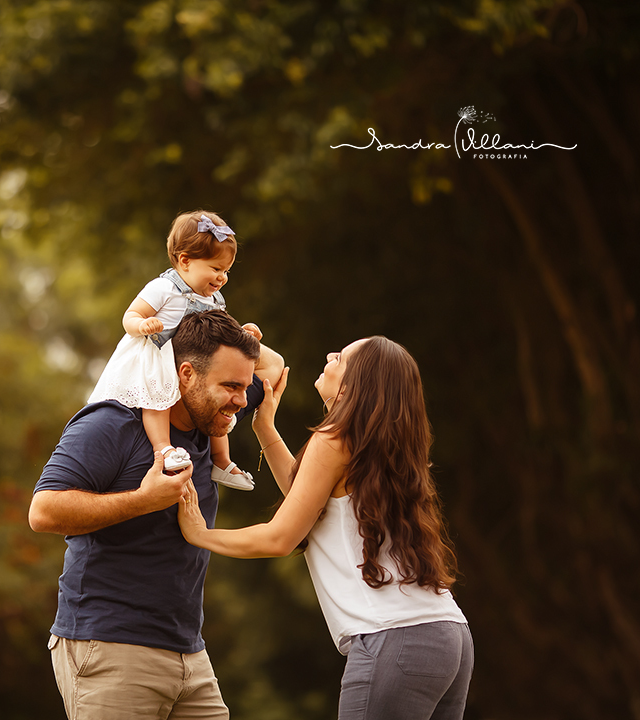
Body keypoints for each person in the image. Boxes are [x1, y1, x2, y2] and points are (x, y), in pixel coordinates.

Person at [178, 336, 473, 720]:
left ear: (353, 386)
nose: (331, 355)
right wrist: (265, 428)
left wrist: (200, 534)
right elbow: (311, 503)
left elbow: (281, 537)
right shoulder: (377, 446)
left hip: (394, 637)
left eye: (342, 357)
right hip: (448, 636)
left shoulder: (334, 440)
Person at [29, 309, 284, 720]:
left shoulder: (212, 414)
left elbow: (272, 365)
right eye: (231, 386)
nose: (242, 400)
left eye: (244, 386)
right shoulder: (113, 422)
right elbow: (42, 511)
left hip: (189, 652)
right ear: (186, 375)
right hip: (110, 645)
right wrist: (144, 499)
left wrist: (198, 310)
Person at [87, 209, 267, 490]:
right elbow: (130, 315)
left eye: (226, 271)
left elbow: (220, 334)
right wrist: (142, 324)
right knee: (158, 399)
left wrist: (242, 333)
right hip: (158, 355)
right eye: (216, 269)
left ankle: (222, 461)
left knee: (214, 408)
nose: (222, 278)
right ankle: (164, 449)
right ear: (185, 261)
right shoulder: (164, 288)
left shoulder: (214, 298)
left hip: (190, 361)